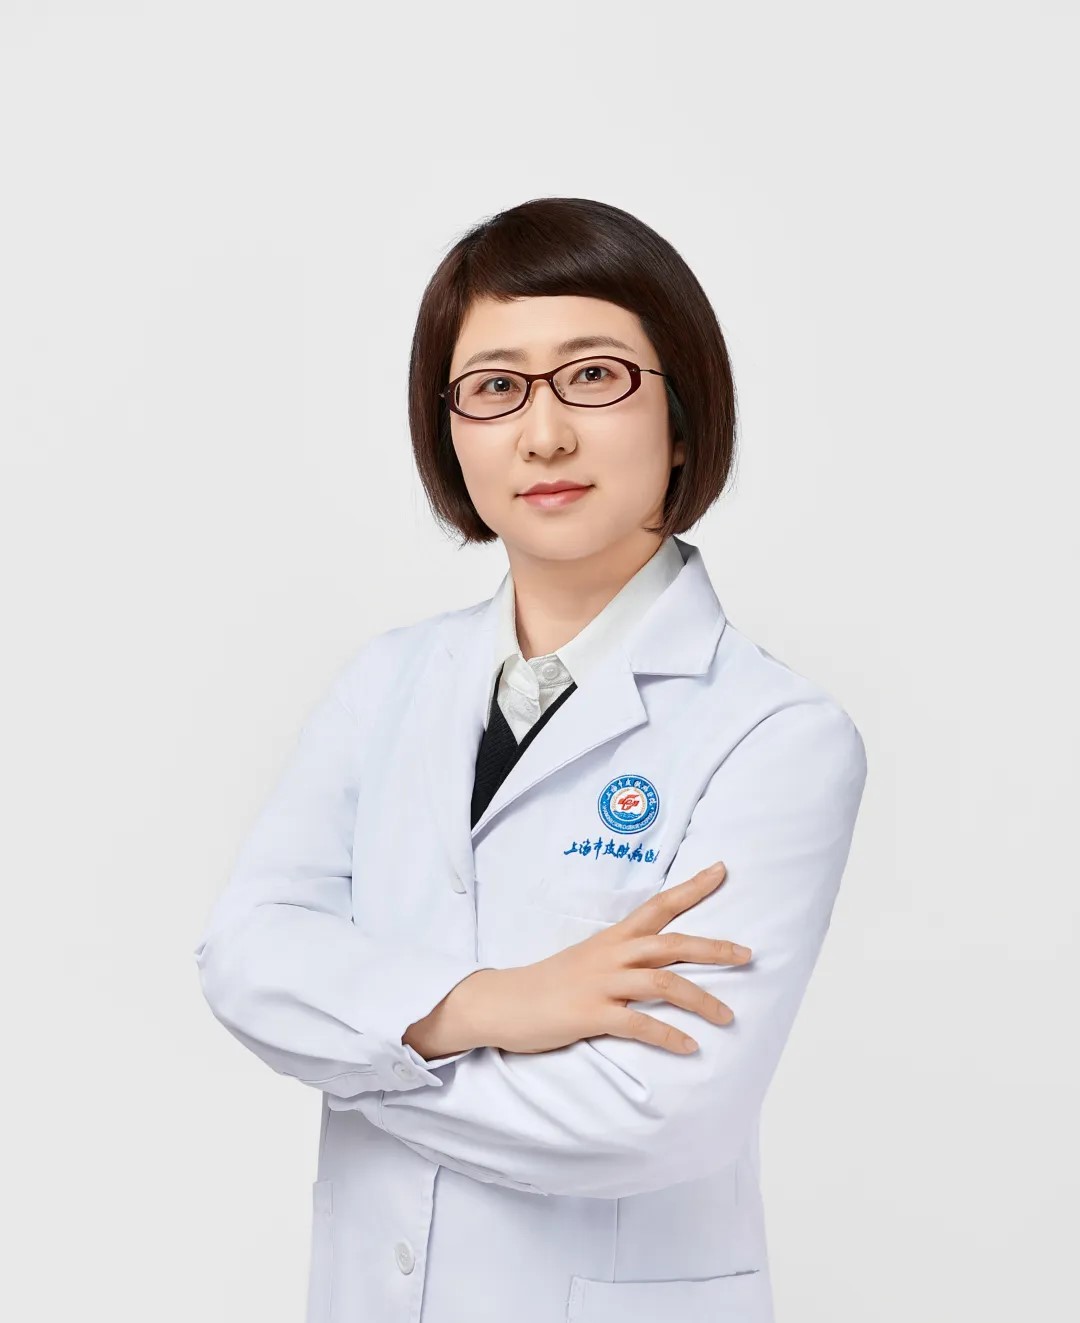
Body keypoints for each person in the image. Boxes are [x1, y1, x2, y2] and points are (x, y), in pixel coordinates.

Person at [193, 196, 868, 1323]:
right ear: (450, 430)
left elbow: (652, 1115)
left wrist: (356, 1045)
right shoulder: (384, 683)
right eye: (495, 386)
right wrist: (490, 1005)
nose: (543, 435)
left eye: (594, 376)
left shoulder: (774, 734)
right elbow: (245, 958)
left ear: (685, 417)